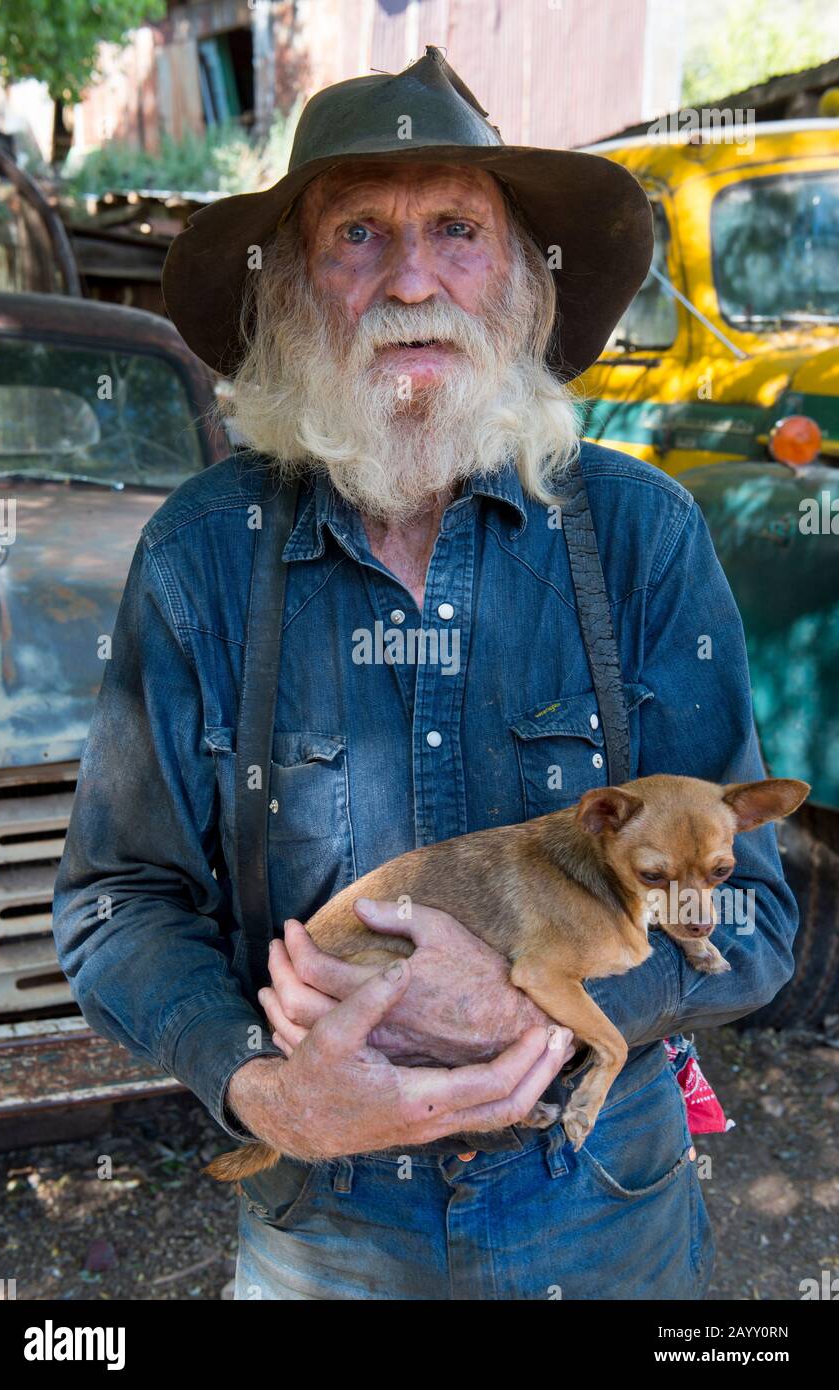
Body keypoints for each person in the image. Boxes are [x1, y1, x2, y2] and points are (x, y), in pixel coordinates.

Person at [53, 48, 797, 1300]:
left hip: (600, 1209)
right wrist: (262, 1084)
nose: (411, 280)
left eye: (456, 227)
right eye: (357, 236)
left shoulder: (638, 537)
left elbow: (758, 909)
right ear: (293, 292)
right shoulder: (200, 556)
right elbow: (117, 899)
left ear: (516, 281)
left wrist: (539, 1006)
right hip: (324, 1223)